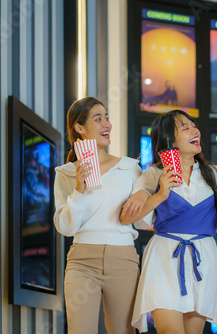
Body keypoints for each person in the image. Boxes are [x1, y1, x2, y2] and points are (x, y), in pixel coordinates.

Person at [120, 110, 217, 334]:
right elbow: (128, 217)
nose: (195, 130)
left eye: (194, 126)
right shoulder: (153, 175)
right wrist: (161, 194)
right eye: (185, 127)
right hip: (163, 258)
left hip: (203, 258)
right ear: (169, 140)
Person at [53, 97, 142, 333]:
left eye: (107, 118)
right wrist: (79, 190)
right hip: (81, 261)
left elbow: (142, 220)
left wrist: (156, 194)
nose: (107, 124)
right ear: (79, 128)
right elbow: (65, 227)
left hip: (123, 258)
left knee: (123, 330)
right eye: (98, 119)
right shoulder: (65, 173)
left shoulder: (130, 168)